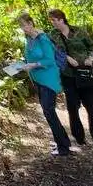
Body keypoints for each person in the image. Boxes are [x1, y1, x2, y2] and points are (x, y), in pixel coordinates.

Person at [48, 8, 93, 148]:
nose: (52, 23)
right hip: (68, 75)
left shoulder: (79, 31)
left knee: (91, 107)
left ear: (61, 19)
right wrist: (67, 58)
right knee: (73, 108)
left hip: (85, 73)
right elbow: (53, 52)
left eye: (54, 20)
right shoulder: (52, 35)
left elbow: (92, 47)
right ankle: (79, 139)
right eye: (51, 21)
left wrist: (90, 58)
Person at [17, 12, 72, 157]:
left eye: (24, 25)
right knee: (48, 112)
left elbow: (49, 60)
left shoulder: (43, 38)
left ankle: (63, 147)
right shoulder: (29, 39)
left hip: (49, 79)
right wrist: (22, 66)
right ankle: (62, 142)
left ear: (31, 23)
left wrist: (34, 65)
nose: (23, 29)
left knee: (49, 111)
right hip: (37, 79)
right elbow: (29, 57)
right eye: (21, 26)